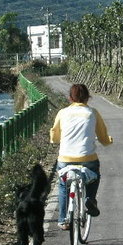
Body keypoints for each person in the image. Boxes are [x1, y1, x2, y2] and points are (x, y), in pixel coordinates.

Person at [49, 83, 113, 230]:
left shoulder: (62, 113)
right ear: (87, 97)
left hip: (65, 160)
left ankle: (63, 220)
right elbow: (103, 138)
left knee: (63, 185)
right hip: (87, 159)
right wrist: (109, 141)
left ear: (70, 98)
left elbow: (54, 136)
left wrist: (56, 139)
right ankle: (89, 199)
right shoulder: (92, 113)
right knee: (94, 176)